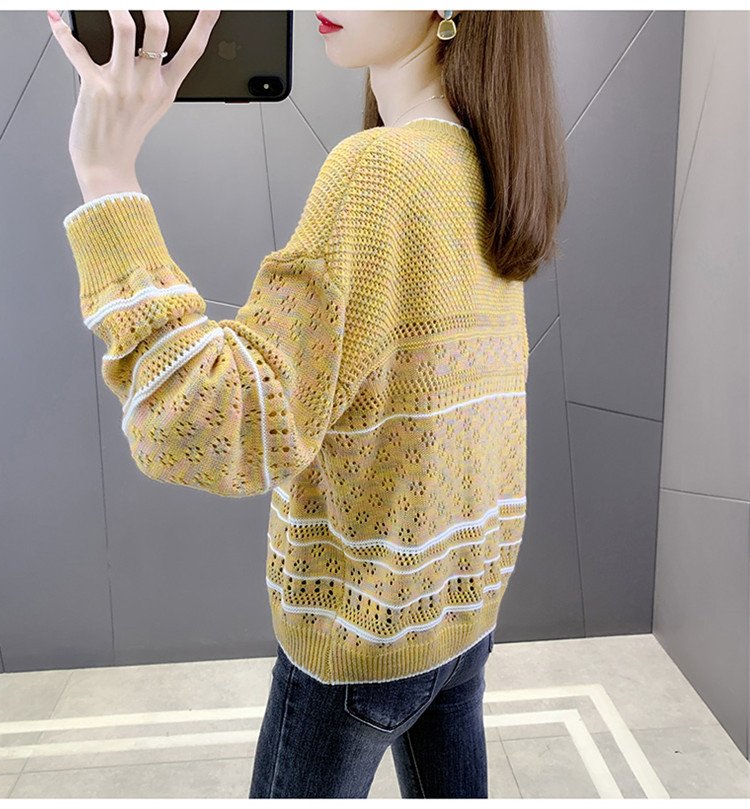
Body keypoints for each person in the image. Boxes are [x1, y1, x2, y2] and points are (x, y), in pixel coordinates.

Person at [58, 8, 567, 800]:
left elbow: (212, 420)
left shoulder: (379, 171)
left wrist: (106, 177)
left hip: (360, 640)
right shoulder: (484, 163)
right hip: (462, 616)